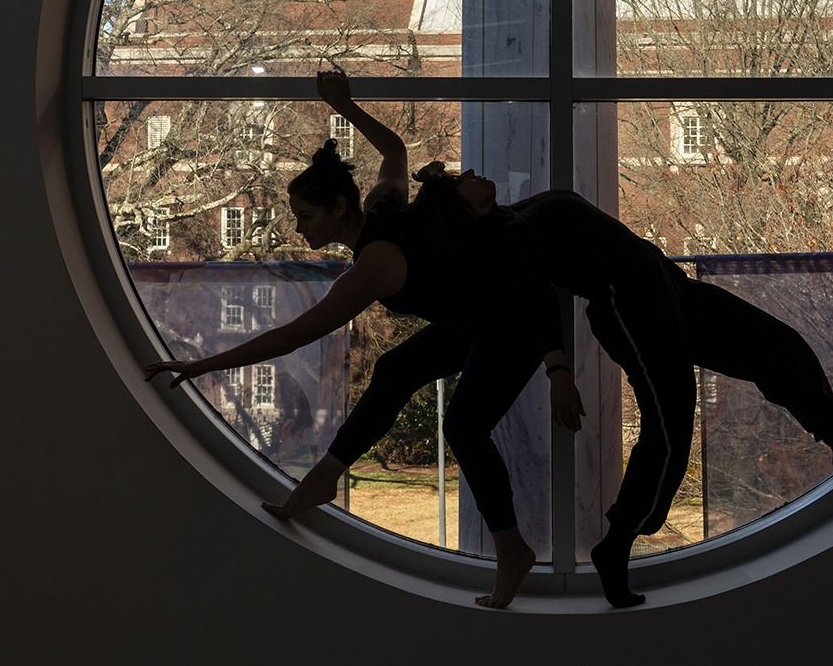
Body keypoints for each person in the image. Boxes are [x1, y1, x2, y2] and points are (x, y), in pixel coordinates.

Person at [267, 174, 833, 609]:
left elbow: (396, 169)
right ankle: (616, 544)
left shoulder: (527, 213)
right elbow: (533, 298)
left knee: (777, 346)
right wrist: (558, 370)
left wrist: (349, 109)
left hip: (659, 279)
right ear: (465, 212)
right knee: (669, 417)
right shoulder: (511, 238)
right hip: (626, 301)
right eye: (472, 189)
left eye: (478, 183)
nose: (485, 187)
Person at [143, 70, 582, 609]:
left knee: (465, 425)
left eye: (306, 217)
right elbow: (394, 149)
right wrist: (345, 106)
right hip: (475, 320)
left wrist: (202, 366)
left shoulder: (371, 269)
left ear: (338, 209)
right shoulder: (381, 202)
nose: (300, 229)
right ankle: (327, 479)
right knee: (396, 370)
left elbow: (289, 337)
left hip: (511, 323)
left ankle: (512, 551)